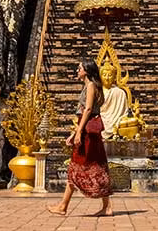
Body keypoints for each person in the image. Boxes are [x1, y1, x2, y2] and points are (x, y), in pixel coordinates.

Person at [48, 59, 113, 217]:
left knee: (78, 166)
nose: (77, 71)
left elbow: (89, 109)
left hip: (87, 133)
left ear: (87, 71)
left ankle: (63, 206)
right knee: (95, 167)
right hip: (88, 130)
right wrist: (74, 133)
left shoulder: (90, 86)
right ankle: (107, 207)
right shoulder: (90, 86)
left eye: (79, 68)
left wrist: (78, 133)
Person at [99, 61, 129, 137]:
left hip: (117, 122)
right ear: (100, 77)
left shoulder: (120, 92)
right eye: (104, 75)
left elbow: (124, 113)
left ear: (114, 77)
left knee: (131, 122)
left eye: (110, 75)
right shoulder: (97, 92)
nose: (107, 78)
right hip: (101, 120)